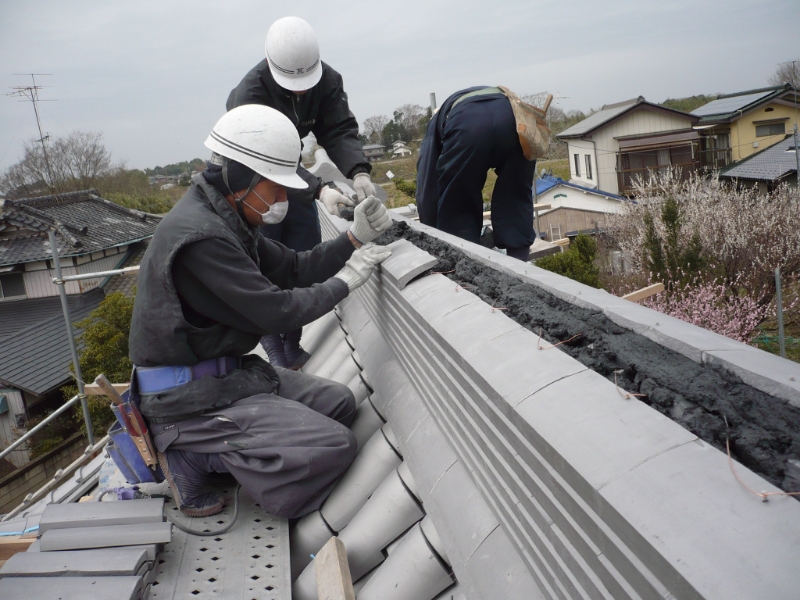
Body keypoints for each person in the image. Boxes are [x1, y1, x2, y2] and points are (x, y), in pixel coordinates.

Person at [128, 104, 392, 519]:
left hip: (226, 376)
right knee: (333, 445)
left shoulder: (228, 217)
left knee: (339, 403)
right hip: (186, 398)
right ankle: (192, 454)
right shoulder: (201, 238)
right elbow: (277, 312)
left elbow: (293, 269)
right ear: (241, 177)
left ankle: (232, 450)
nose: (282, 200)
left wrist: (353, 239)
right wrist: (345, 282)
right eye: (276, 188)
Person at [227, 16, 376, 369]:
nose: (300, 93)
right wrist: (319, 188)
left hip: (293, 176)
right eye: (292, 87)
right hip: (255, 183)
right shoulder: (249, 95)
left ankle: (292, 345)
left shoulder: (328, 81)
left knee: (304, 254)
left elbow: (338, 130)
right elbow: (264, 158)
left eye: (305, 85)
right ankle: (275, 352)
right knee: (265, 265)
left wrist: (358, 171)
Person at [416, 86, 550, 261]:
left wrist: (430, 234)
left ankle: (464, 262)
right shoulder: (481, 99)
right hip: (515, 120)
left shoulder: (435, 125)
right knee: (516, 192)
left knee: (458, 200)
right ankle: (520, 262)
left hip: (468, 125)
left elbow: (426, 190)